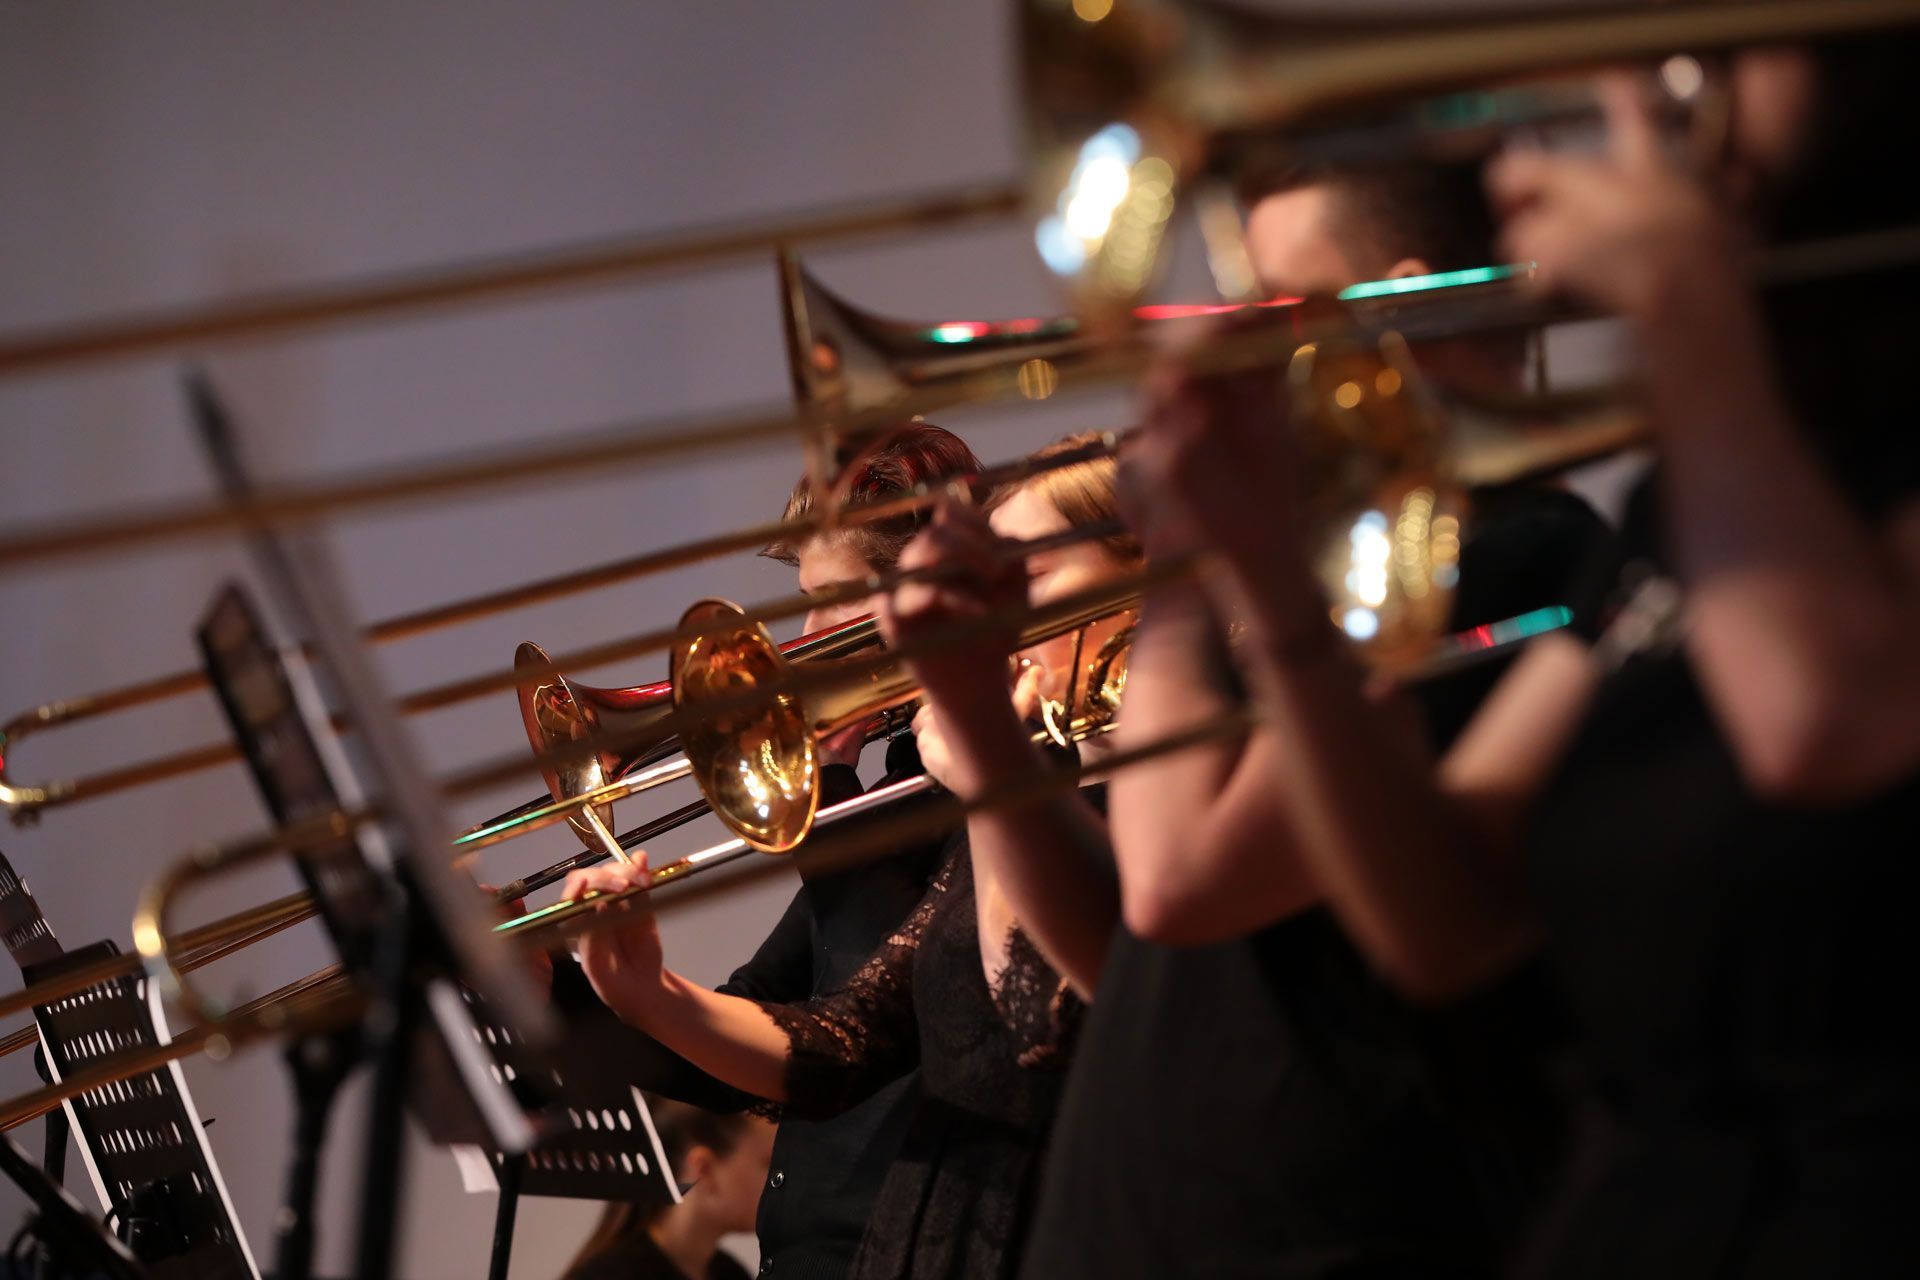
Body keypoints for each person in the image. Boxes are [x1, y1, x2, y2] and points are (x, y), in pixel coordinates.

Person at [1118, 41, 1920, 1279]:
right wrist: (1267, 589)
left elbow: (1829, 718)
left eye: (1735, 53)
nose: (1661, 97)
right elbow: (1445, 913)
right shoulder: (1676, 514)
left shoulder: (1781, 488)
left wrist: (1689, 311)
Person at [997, 162, 1614, 1279]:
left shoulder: (1507, 553)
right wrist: (974, 730)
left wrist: (1183, 558)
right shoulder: (1331, 580)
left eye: (1278, 305)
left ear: (1408, 305)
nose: (1239, 349)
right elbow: (1132, 950)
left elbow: (1184, 879)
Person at [560, 435, 1143, 1279]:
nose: (995, 617)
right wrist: (627, 995)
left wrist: (940, 773)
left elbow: (1037, 1018)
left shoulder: (1064, 785)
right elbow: (848, 1033)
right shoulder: (966, 769)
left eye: (1031, 578)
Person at [545, 422, 983, 1280]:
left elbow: (859, 1027)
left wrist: (821, 780)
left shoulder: (987, 795)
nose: (807, 634)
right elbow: (745, 1046)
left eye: (838, 597)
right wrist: (568, 991)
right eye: (807, 599)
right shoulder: (888, 787)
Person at [563, 1099, 774, 1280]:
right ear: (705, 1169)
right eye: (769, 1164)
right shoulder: (610, 1276)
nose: (783, 1178)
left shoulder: (729, 1273)